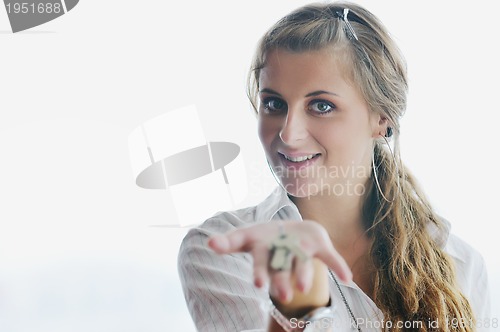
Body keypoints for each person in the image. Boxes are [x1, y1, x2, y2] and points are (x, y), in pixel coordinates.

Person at [178, 2, 491, 331]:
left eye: (321, 106)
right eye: (273, 103)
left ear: (381, 119)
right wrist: (299, 306)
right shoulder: (222, 249)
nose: (288, 132)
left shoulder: (461, 265)